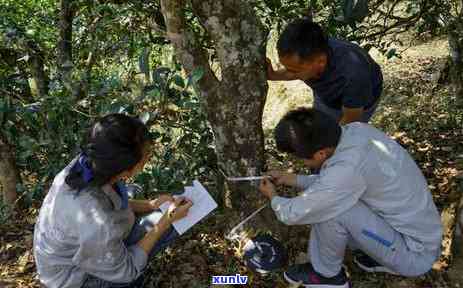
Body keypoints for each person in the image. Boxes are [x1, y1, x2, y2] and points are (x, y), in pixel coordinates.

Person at [259, 108, 442, 288]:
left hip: (415, 255)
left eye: (302, 159)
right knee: (331, 200)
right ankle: (377, 254)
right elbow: (336, 183)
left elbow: (294, 213)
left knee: (329, 211)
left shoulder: (346, 170)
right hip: (420, 237)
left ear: (321, 153)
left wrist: (273, 197)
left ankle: (327, 276)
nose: (302, 163)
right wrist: (292, 179)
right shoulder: (357, 131)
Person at [33, 114, 193, 288]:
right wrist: (165, 222)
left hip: (77, 251)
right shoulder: (96, 221)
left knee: (137, 195)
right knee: (165, 226)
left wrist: (149, 204)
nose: (148, 158)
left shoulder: (88, 163)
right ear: (126, 171)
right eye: (146, 156)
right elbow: (128, 270)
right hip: (75, 280)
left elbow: (109, 200)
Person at [267, 19, 383, 125]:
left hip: (359, 104)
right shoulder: (313, 57)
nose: (289, 72)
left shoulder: (353, 74)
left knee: (348, 139)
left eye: (295, 71)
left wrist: (333, 143)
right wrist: (273, 75)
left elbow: (350, 120)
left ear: (320, 62)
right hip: (329, 97)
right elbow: (292, 71)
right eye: (287, 68)